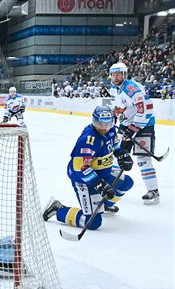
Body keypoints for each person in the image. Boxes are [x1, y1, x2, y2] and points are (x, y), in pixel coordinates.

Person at [43, 106, 134, 230]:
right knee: (93, 222)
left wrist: (122, 154)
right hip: (84, 179)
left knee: (127, 183)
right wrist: (98, 184)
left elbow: (115, 145)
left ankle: (106, 205)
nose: (104, 128)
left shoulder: (111, 130)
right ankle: (57, 209)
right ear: (93, 121)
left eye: (107, 124)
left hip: (104, 171)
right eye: (99, 124)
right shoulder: (89, 140)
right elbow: (80, 168)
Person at [109, 62, 160, 204]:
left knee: (143, 160)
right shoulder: (114, 88)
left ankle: (153, 192)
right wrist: (115, 113)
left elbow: (146, 109)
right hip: (127, 125)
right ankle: (113, 186)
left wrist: (133, 129)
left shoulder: (132, 88)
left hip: (144, 126)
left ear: (124, 75)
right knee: (117, 154)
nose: (116, 77)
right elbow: (119, 107)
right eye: (113, 74)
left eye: (119, 74)